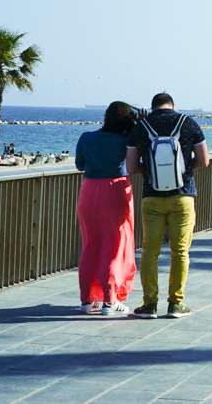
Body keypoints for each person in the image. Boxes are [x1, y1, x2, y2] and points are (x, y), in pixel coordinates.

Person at [126, 93, 209, 319]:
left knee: (150, 251)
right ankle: (175, 304)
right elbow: (204, 161)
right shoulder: (188, 123)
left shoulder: (141, 127)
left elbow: (131, 167)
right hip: (182, 196)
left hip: (151, 197)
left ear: (152, 108)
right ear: (173, 106)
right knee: (180, 251)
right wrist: (181, 171)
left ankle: (149, 304)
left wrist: (153, 171)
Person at [75, 102, 139, 315]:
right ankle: (110, 302)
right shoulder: (126, 140)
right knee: (114, 246)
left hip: (89, 190)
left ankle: (87, 301)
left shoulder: (86, 137)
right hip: (115, 189)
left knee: (90, 245)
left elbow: (80, 165)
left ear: (105, 116)